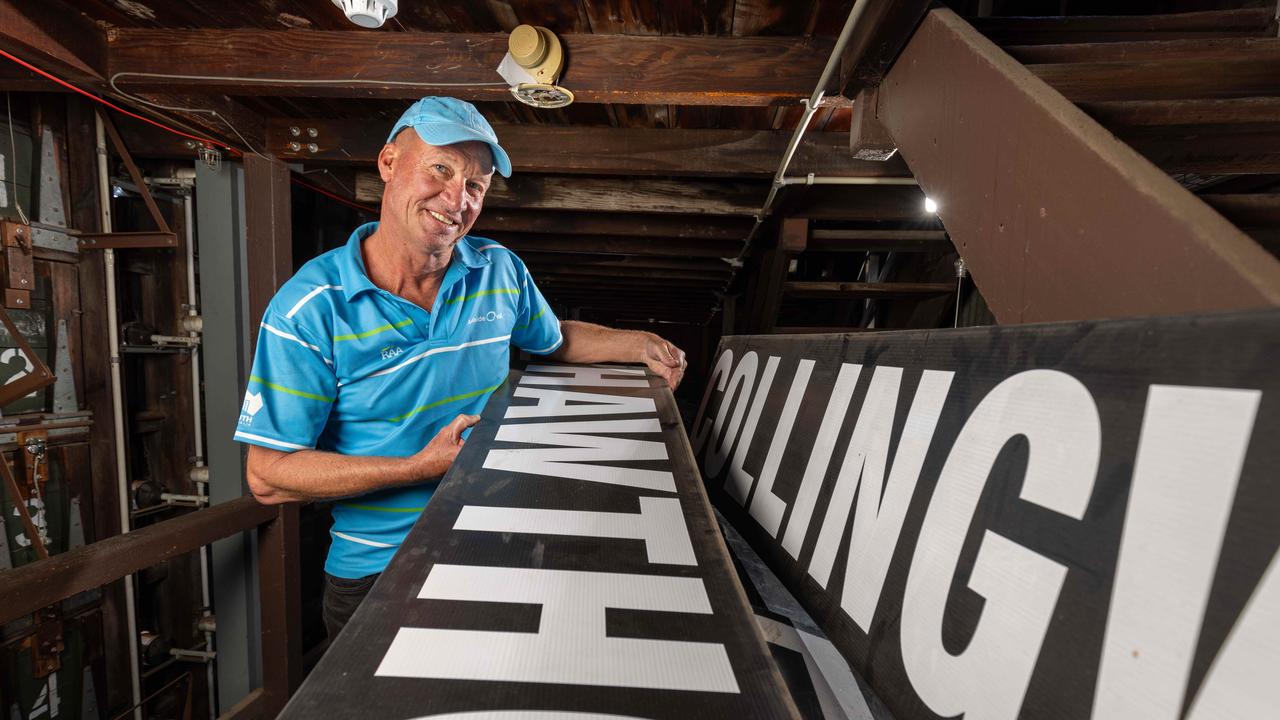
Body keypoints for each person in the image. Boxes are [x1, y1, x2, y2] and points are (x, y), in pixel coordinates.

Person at [233, 97, 687, 640]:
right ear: (387, 164)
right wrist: (418, 467)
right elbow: (268, 475)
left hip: (498, 539)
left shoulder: (499, 269)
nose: (456, 198)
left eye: (477, 184)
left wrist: (639, 344)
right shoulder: (310, 307)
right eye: (441, 169)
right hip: (382, 569)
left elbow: (554, 339)